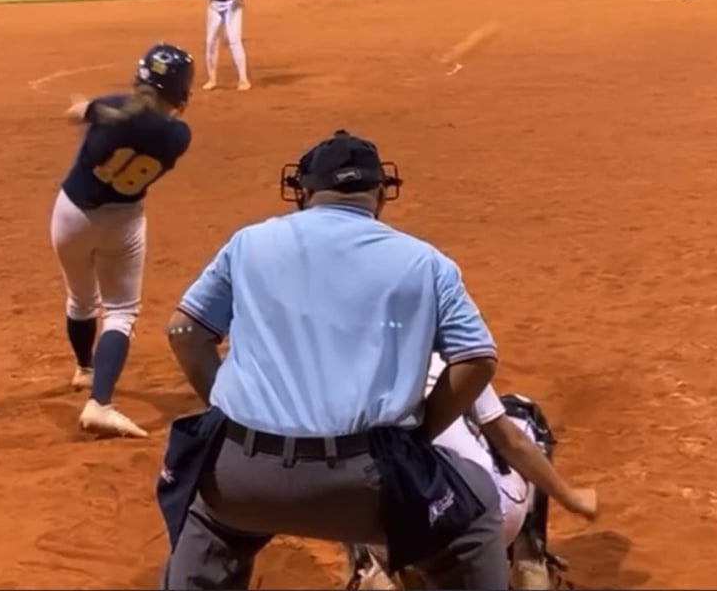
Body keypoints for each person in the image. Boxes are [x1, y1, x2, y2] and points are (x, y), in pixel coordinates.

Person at [157, 130, 506, 590]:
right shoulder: (425, 261)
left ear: (302, 192)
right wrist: (421, 434)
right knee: (475, 508)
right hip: (366, 486)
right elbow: (477, 360)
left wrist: (226, 411)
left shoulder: (248, 243)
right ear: (381, 194)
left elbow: (183, 331)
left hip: (241, 479)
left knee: (207, 522)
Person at [345, 356, 599, 590]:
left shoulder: (342, 374)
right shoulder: (443, 357)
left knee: (350, 465)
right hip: (481, 526)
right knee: (523, 413)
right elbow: (513, 443)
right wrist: (572, 498)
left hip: (394, 539)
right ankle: (531, 570)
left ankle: (371, 573)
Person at [51, 44, 196, 439]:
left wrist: (85, 107)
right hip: (122, 222)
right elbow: (151, 123)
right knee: (120, 311)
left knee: (81, 298)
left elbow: (80, 113)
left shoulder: (112, 107)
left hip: (70, 215)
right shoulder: (178, 136)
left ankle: (84, 368)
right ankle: (99, 402)